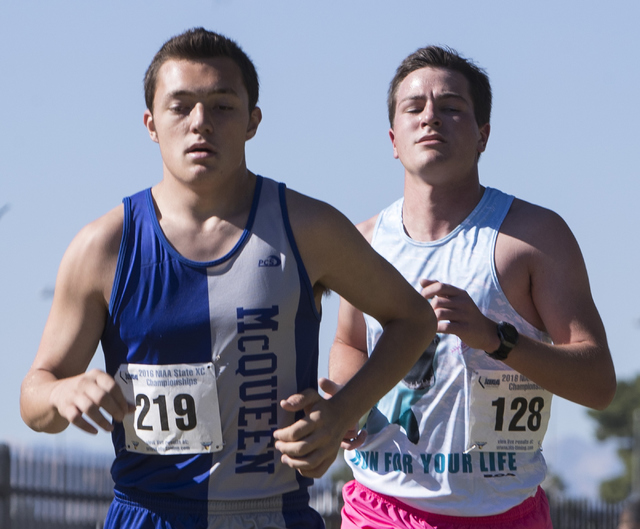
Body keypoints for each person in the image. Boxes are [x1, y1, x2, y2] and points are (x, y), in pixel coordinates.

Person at [19, 28, 436, 529]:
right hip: (147, 514)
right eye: (181, 107)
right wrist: (62, 393)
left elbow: (414, 319)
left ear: (252, 121)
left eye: (222, 106)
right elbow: (33, 397)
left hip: (274, 514)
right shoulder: (103, 246)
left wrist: (344, 412)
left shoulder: (308, 228)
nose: (201, 123)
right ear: (151, 124)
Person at [329, 45, 616, 528]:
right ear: (393, 138)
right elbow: (348, 342)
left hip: (503, 511)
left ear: (483, 135)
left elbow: (598, 383)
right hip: (381, 506)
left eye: (451, 108)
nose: (430, 119)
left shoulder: (533, 237)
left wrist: (495, 339)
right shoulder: (364, 242)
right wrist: (347, 404)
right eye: (413, 107)